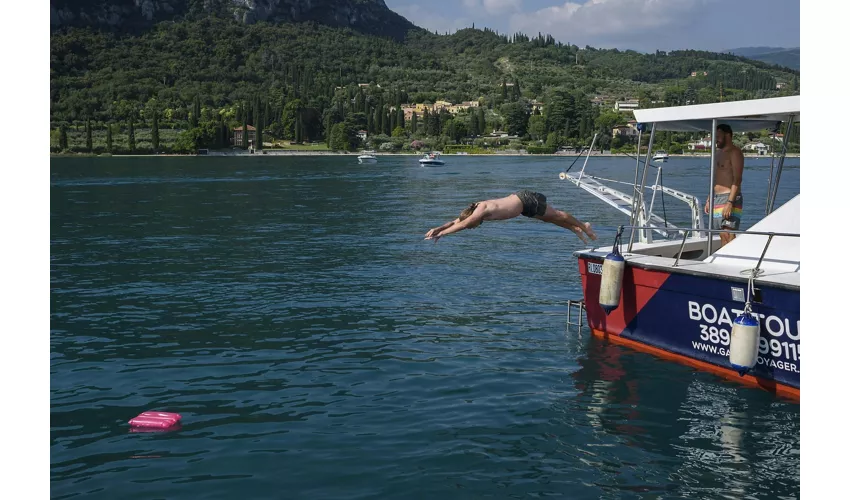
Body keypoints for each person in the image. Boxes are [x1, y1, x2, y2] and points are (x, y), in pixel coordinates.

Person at [424, 190, 597, 243]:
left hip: (525, 200)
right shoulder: (473, 211)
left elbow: (463, 224)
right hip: (522, 208)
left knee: (556, 214)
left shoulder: (480, 210)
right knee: (549, 218)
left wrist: (442, 235)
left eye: (474, 225)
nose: (475, 226)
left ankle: (584, 226)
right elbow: (456, 221)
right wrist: (438, 229)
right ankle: (575, 229)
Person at [704, 123, 744, 248]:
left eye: (718, 135)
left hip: (730, 197)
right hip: (717, 198)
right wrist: (710, 198)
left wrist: (730, 202)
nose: (715, 139)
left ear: (727, 135)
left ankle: (732, 263)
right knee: (722, 234)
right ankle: (723, 262)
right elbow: (716, 178)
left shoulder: (735, 152)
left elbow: (737, 179)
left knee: (728, 234)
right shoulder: (718, 153)